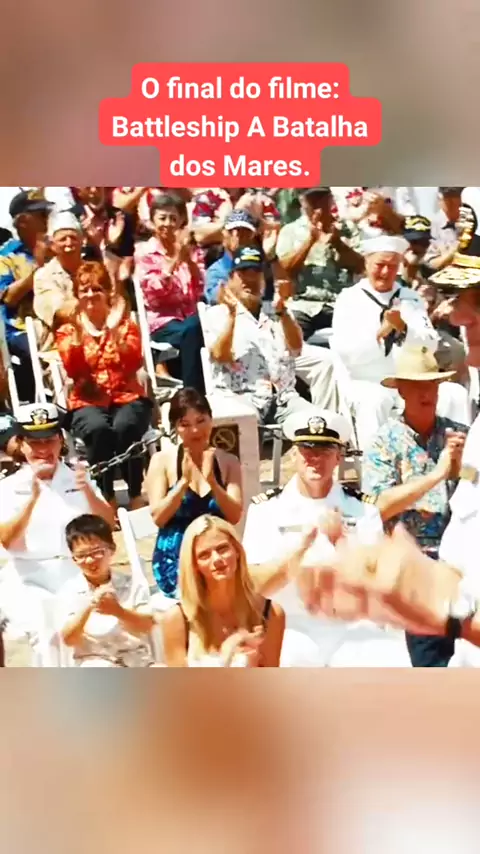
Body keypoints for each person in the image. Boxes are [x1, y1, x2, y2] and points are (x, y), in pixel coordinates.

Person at [242, 408, 411, 666]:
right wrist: (298, 553)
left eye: (325, 451)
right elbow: (255, 586)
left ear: (339, 457)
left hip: (352, 625)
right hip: (292, 627)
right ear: (294, 455)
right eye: (307, 450)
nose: (315, 459)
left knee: (394, 660)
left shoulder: (362, 510)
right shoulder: (265, 510)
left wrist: (341, 542)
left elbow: (376, 581)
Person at [362, 347, 467, 666]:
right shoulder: (384, 441)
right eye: (418, 386)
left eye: (432, 385)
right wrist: (437, 475)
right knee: (431, 658)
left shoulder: (459, 435)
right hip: (415, 560)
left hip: (463, 555)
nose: (427, 394)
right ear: (401, 391)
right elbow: (379, 506)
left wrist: (462, 470)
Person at [331, 234, 470, 449]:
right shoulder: (349, 299)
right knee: (376, 400)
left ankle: (458, 458)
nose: (386, 272)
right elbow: (347, 353)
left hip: (413, 380)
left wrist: (404, 329)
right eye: (380, 265)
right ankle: (376, 464)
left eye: (392, 266)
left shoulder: (409, 297)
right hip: (368, 381)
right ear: (366, 263)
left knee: (454, 394)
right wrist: (380, 334)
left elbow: (431, 343)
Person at [0, 403, 114, 659]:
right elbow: (6, 541)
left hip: (78, 572)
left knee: (93, 632)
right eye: (34, 443)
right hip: (30, 578)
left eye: (49, 441)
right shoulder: (8, 487)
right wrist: (31, 500)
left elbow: (108, 524)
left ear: (61, 440)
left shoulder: (77, 477)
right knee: (48, 634)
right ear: (21, 445)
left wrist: (87, 492)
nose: (43, 450)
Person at [55, 261, 153, 513]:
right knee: (98, 429)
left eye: (97, 289)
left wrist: (112, 330)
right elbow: (73, 369)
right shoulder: (68, 329)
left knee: (126, 426)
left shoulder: (125, 325)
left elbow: (133, 360)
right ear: (77, 294)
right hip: (87, 400)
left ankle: (135, 492)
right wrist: (79, 337)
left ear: (108, 292)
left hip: (126, 395)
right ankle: (105, 496)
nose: (90, 295)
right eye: (84, 290)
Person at [203, 246, 339, 424]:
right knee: (244, 423)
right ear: (230, 279)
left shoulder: (276, 311)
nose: (250, 280)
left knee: (321, 424)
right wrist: (232, 316)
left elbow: (296, 347)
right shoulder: (217, 314)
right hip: (241, 398)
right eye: (243, 274)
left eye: (255, 273)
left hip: (284, 399)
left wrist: (282, 312)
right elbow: (220, 355)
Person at [146, 387, 243, 599]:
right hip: (176, 558)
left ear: (211, 419)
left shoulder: (228, 462)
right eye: (185, 424)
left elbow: (235, 515)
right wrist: (183, 483)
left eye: (201, 421)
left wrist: (213, 483)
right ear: (175, 428)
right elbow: (158, 518)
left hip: (217, 555)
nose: (195, 430)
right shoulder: (162, 461)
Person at [160, 514, 285, 667]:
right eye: (204, 555)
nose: (217, 559)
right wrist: (228, 652)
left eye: (222, 549)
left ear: (237, 550)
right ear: (194, 565)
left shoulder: (270, 613)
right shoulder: (177, 619)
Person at [60, 514, 157, 667]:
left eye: (96, 552)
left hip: (136, 660)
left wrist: (118, 611)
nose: (90, 560)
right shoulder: (69, 590)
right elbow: (68, 639)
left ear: (112, 549)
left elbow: (147, 626)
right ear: (73, 559)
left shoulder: (132, 584)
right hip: (95, 662)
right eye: (81, 555)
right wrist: (90, 605)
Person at [134, 192, 206, 392]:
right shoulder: (145, 253)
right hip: (163, 323)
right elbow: (153, 296)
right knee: (195, 328)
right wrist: (175, 261)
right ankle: (193, 392)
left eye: (173, 218)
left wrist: (188, 260)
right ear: (153, 221)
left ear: (182, 221)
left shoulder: (192, 250)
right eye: (162, 218)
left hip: (191, 319)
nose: (168, 224)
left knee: (201, 326)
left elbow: (201, 289)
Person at [275, 186, 364, 340]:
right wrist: (311, 240)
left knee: (358, 337)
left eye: (322, 198)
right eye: (312, 200)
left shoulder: (348, 229)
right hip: (303, 305)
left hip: (339, 303)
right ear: (302, 201)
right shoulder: (290, 230)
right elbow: (285, 269)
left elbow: (360, 266)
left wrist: (337, 243)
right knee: (289, 338)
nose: (318, 205)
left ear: (330, 199)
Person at [0, 189, 52, 402]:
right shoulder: (6, 255)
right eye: (41, 214)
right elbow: (8, 298)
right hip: (22, 328)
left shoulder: (58, 247)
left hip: (56, 322)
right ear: (22, 221)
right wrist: (39, 268)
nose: (47, 218)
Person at [33, 211, 83, 351]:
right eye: (63, 239)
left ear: (82, 241)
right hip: (60, 347)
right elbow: (61, 310)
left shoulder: (93, 269)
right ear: (52, 245)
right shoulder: (43, 276)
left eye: (73, 238)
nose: (69, 243)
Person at [204, 209, 259, 305]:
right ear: (224, 233)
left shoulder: (259, 267)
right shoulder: (216, 271)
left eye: (245, 232)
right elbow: (214, 299)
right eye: (232, 231)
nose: (237, 237)